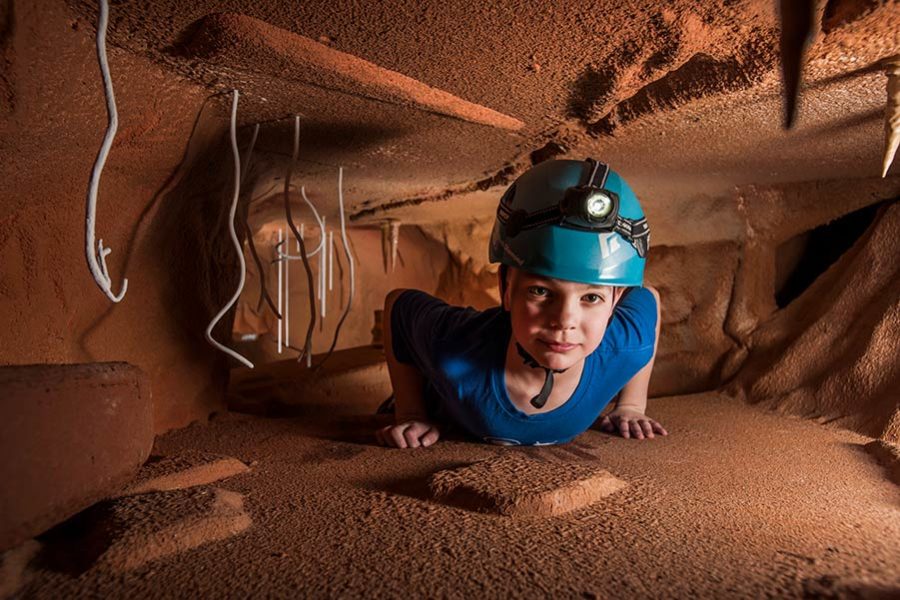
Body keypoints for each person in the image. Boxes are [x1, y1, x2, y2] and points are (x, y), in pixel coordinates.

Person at [375, 158, 667, 448]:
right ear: (506, 286)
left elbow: (648, 298)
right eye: (540, 291)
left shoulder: (622, 346)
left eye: (591, 297)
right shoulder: (456, 349)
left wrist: (631, 405)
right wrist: (412, 411)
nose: (564, 321)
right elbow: (399, 305)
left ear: (615, 301)